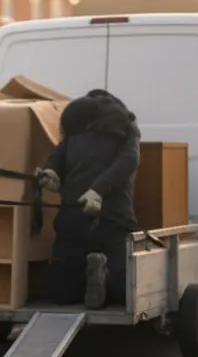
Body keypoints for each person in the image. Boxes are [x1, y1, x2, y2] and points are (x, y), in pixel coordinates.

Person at [36, 89, 141, 308]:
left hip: (77, 217)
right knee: (121, 295)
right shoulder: (125, 127)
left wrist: (95, 190)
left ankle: (94, 273)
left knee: (62, 296)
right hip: (112, 220)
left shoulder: (77, 127)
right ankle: (99, 272)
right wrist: (52, 174)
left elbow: (57, 156)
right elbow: (129, 161)